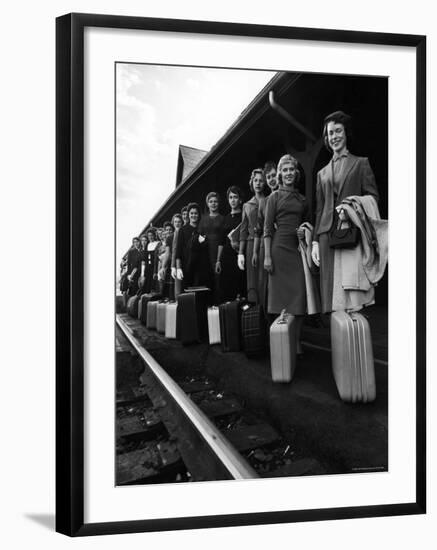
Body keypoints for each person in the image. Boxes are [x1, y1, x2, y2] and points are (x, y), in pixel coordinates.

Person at [311, 111, 379, 313]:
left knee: (352, 293)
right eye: (330, 133)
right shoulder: (321, 173)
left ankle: (353, 338)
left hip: (351, 233)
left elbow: (373, 198)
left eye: (338, 131)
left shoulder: (361, 163)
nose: (334, 137)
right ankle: (339, 338)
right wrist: (315, 240)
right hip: (325, 236)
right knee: (332, 298)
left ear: (346, 133)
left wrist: (352, 207)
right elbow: (319, 209)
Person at [264, 154, 308, 354]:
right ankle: (282, 342)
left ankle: (296, 340)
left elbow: (308, 224)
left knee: (299, 296)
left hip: (297, 251)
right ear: (280, 174)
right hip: (278, 250)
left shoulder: (302, 199)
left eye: (292, 169)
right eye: (285, 170)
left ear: (295, 172)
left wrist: (304, 230)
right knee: (280, 300)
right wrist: (267, 256)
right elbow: (267, 230)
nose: (288, 173)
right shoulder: (273, 197)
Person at [238, 168, 267, 304]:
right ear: (252, 182)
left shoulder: (269, 201)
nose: (258, 183)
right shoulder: (247, 205)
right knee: (252, 281)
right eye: (255, 180)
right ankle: (255, 316)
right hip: (250, 245)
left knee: (265, 278)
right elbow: (243, 230)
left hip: (266, 242)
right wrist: (240, 253)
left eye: (261, 180)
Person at [220, 186, 246, 302]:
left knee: (240, 286)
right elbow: (221, 241)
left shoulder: (244, 216)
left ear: (240, 200)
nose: (233, 200)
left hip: (240, 255)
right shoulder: (225, 218)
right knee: (228, 288)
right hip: (227, 257)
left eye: (235, 197)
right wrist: (218, 260)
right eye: (230, 197)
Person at [175, 202, 210, 289]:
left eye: (196, 213)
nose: (193, 215)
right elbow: (178, 251)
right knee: (188, 293)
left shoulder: (202, 228)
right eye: (191, 213)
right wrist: (178, 268)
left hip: (201, 266)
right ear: (188, 215)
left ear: (199, 215)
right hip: (187, 266)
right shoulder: (182, 230)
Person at [198, 191, 224, 304]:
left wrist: (219, 259)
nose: (213, 204)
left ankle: (217, 306)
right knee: (206, 279)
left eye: (215, 201)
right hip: (205, 252)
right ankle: (207, 307)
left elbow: (223, 239)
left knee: (218, 279)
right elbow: (199, 237)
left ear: (218, 203)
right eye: (211, 201)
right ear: (207, 203)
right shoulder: (203, 219)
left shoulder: (222, 218)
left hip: (218, 251)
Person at [138, 227, 160, 294]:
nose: (150, 237)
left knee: (154, 284)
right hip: (148, 267)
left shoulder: (158, 243)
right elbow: (144, 260)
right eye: (149, 235)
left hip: (154, 266)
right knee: (147, 285)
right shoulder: (147, 245)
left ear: (154, 235)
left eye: (151, 235)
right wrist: (142, 273)